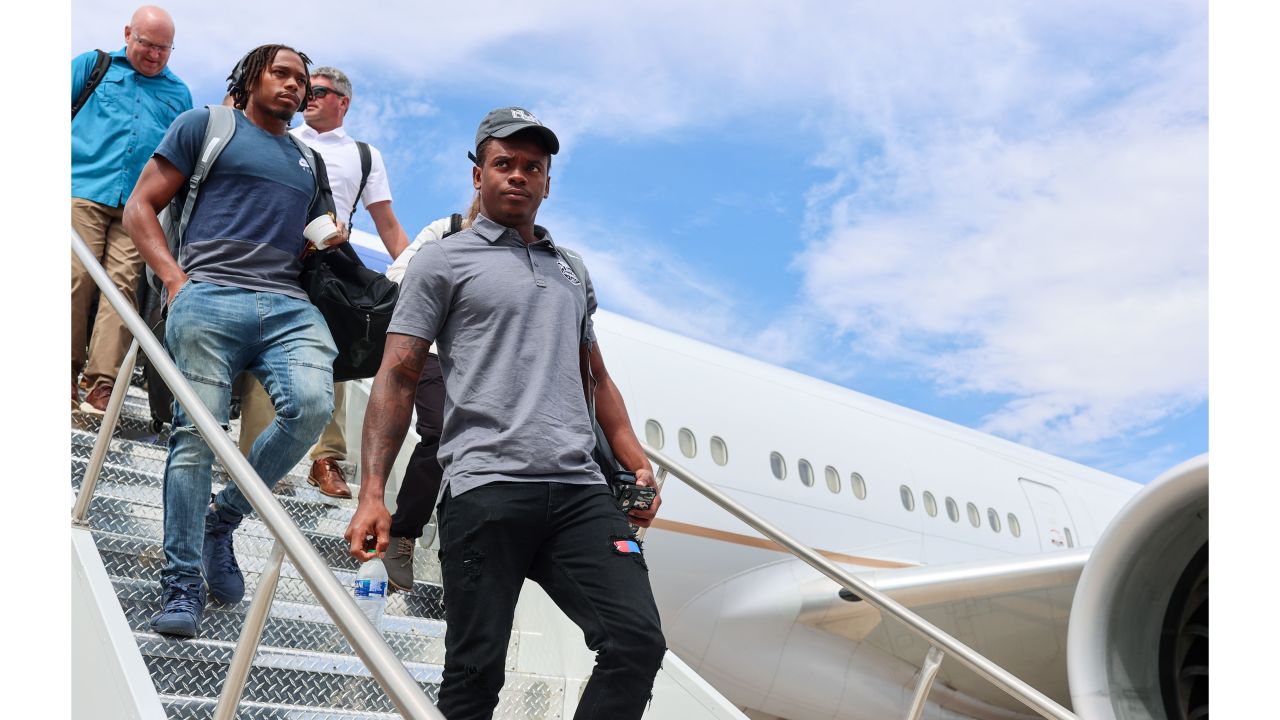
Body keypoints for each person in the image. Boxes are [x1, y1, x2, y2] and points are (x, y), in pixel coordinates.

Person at [345, 107, 667, 719]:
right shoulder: (443, 261)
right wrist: (372, 492)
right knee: (474, 673)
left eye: (532, 167)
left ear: (547, 181)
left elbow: (594, 375)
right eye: (504, 164)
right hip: (484, 487)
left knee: (636, 641)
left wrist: (636, 463)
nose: (517, 175)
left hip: (579, 492)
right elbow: (399, 373)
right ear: (478, 175)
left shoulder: (571, 269)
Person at [122, 44, 340, 638]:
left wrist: (328, 238)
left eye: (304, 81)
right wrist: (173, 278)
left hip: (289, 303)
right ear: (250, 78)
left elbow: (314, 237)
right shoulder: (206, 126)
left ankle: (224, 518)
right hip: (210, 293)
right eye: (283, 74)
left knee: (313, 407)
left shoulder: (306, 159)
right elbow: (139, 205)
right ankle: (182, 582)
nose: (297, 87)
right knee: (197, 436)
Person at [236, 65, 412, 499]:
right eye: (305, 90)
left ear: (343, 102)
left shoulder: (363, 155)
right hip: (273, 256)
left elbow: (386, 222)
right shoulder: (282, 136)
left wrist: (415, 277)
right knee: (266, 349)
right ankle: (256, 463)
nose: (307, 96)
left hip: (329, 263)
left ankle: (324, 459)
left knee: (330, 355)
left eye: (318, 90)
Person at [72, 5, 192, 413]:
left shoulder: (180, 95)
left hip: (137, 210)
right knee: (74, 277)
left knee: (122, 288)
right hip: (82, 189)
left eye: (164, 48)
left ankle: (101, 383)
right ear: (128, 34)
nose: (155, 54)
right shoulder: (93, 65)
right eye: (147, 44)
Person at [378, 200, 478, 591]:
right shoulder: (447, 229)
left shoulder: (515, 250)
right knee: (438, 432)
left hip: (482, 363)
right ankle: (403, 533)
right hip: (435, 349)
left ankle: (457, 553)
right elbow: (397, 272)